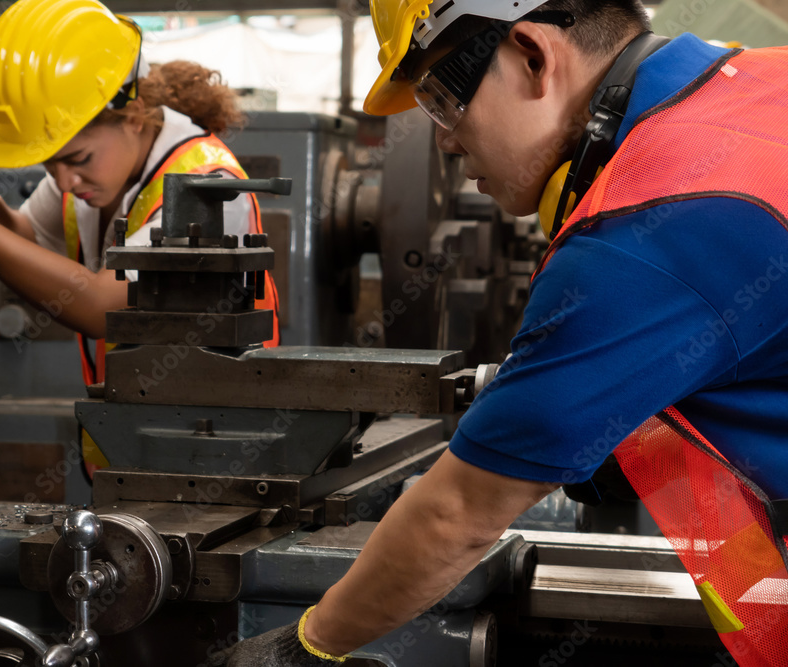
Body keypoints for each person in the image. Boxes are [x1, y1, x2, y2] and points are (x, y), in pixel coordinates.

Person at [210, 0, 788, 665]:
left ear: (533, 56)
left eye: (441, 100)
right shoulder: (760, 81)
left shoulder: (643, 230)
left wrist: (304, 645)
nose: (447, 141)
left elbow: (457, 514)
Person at [0, 0, 279, 391]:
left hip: (215, 445)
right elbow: (29, 239)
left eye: (77, 158)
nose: (64, 182)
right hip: (132, 436)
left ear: (133, 117)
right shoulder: (92, 174)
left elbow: (103, 307)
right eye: (49, 164)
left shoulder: (211, 188)